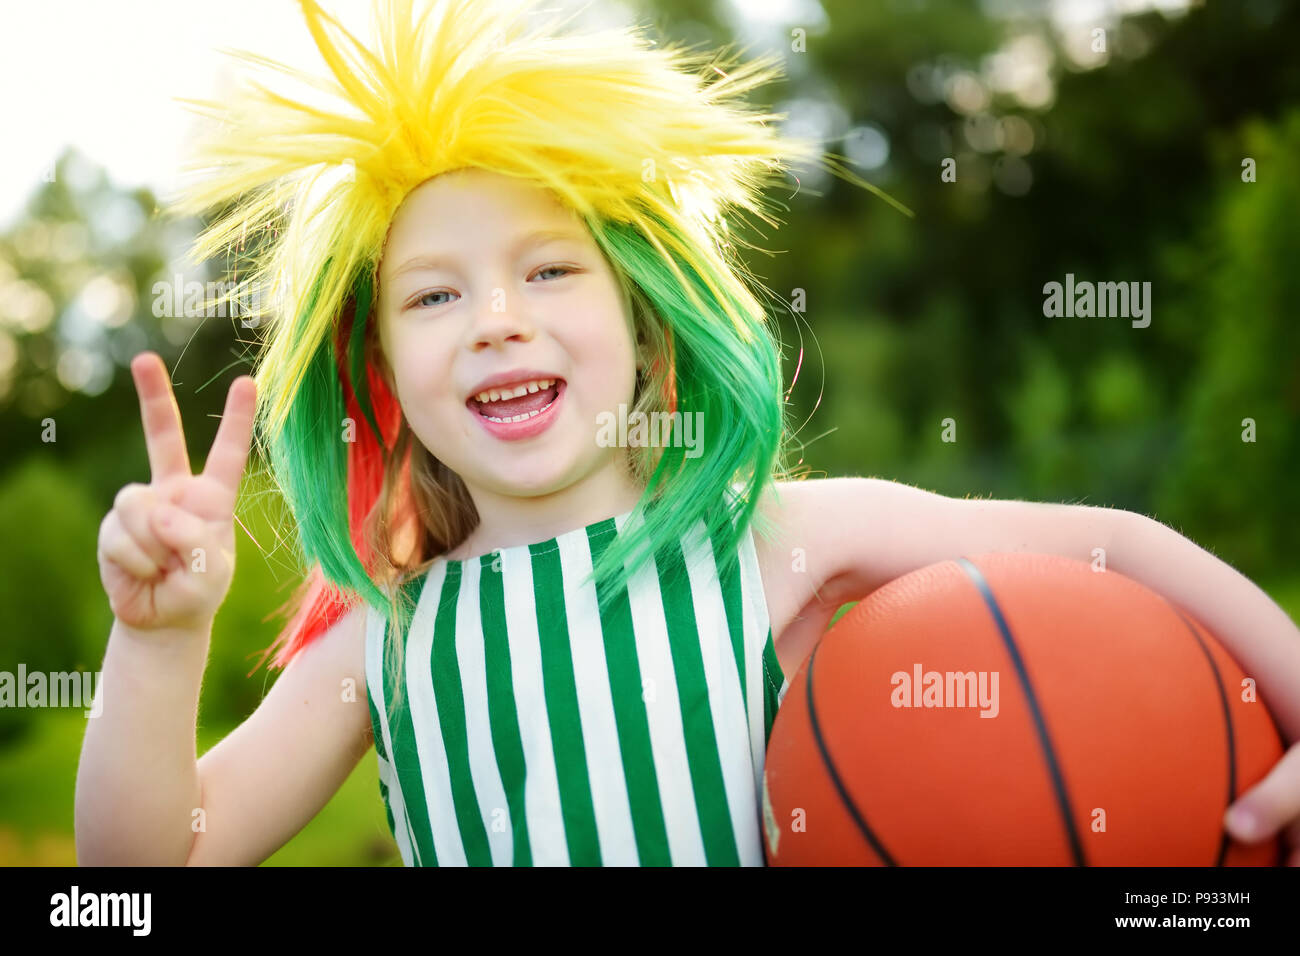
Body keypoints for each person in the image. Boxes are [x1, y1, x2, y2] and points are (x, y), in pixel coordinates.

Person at [76, 0, 1300, 867]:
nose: (496, 321)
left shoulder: (775, 539)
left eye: (549, 270)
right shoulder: (387, 639)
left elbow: (1115, 543)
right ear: (387, 370)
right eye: (434, 295)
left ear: (648, 333)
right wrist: (158, 642)